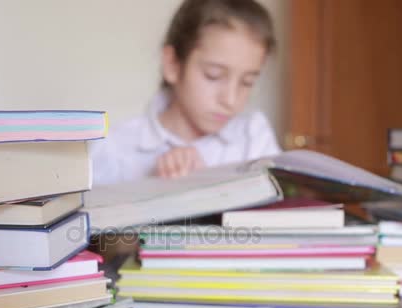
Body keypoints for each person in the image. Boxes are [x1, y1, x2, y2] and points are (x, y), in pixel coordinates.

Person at [92, 0, 281, 186]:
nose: (230, 100)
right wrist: (153, 187)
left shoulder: (253, 136)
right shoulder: (114, 149)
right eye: (213, 75)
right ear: (172, 64)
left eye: (247, 82)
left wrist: (205, 183)